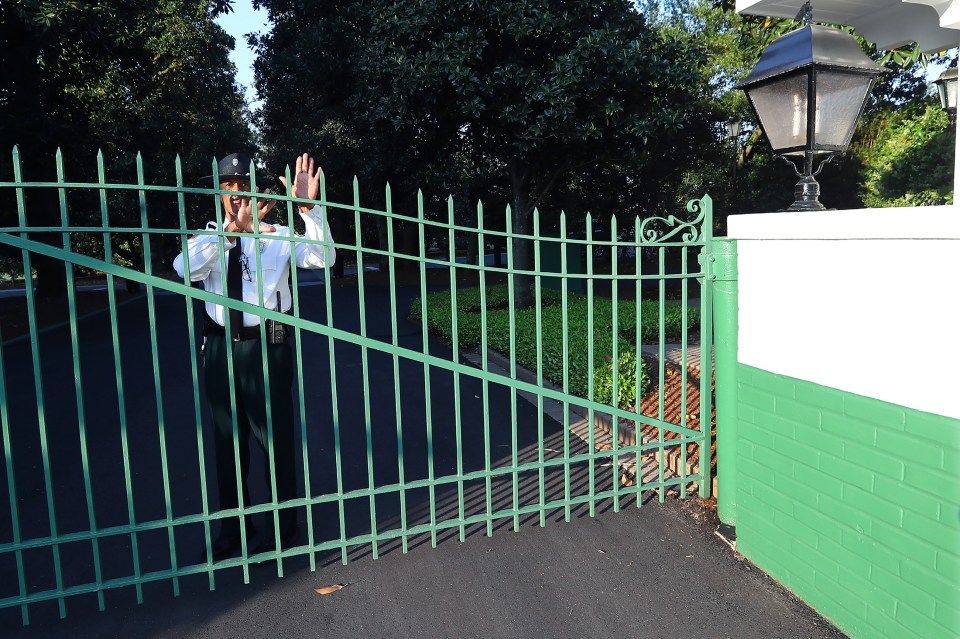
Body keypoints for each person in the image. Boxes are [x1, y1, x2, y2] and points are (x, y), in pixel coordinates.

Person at [173, 152, 335, 561]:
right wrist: (231, 234)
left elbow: (322, 258)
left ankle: (284, 526)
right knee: (227, 442)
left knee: (274, 439)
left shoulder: (278, 235)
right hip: (222, 349)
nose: (233, 195)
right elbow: (183, 269)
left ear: (256, 191)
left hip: (268, 348)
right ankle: (234, 528)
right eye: (226, 188)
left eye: (240, 187)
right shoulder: (209, 237)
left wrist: (310, 211)